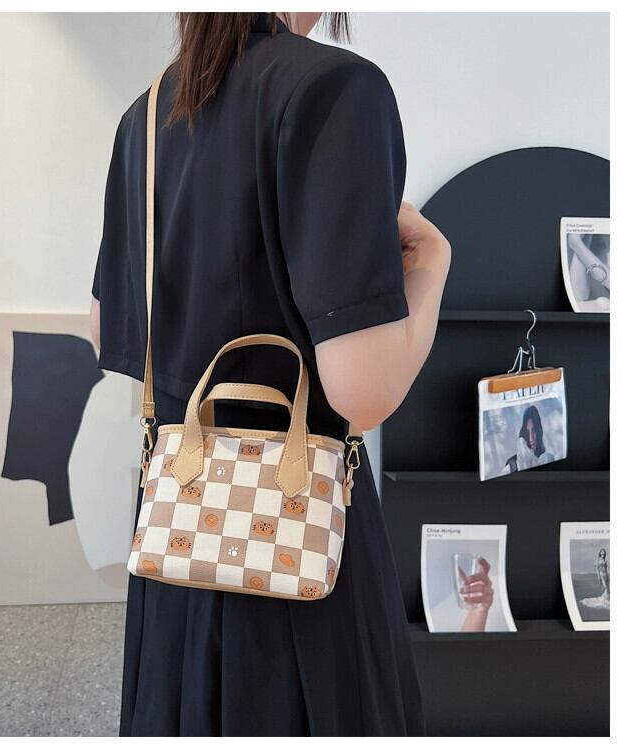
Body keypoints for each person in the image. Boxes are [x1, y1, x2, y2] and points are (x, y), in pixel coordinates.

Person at [89, 12, 451, 737]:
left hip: (180, 537)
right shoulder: (337, 88)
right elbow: (363, 393)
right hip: (300, 540)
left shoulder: (148, 113)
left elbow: (109, 327)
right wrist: (434, 265)